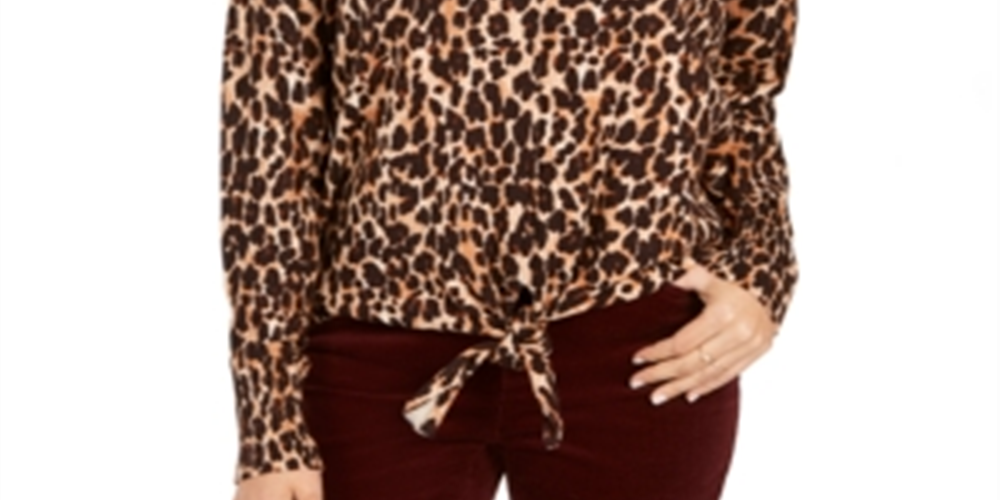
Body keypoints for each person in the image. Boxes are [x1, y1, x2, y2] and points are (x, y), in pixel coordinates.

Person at [218, 0, 799, 498]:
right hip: (378, 356)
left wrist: (761, 273)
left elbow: (744, 96)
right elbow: (269, 155)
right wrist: (271, 428)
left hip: (642, 351)